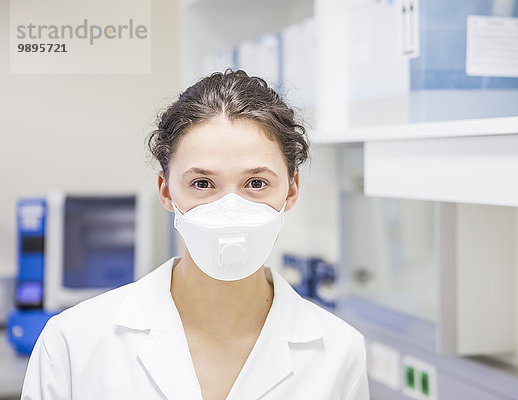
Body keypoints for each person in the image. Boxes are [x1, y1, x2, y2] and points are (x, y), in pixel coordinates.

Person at [20, 69, 369, 400]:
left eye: (256, 183)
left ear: (291, 191)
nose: (230, 209)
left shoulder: (339, 353)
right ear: (167, 191)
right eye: (202, 184)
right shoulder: (73, 342)